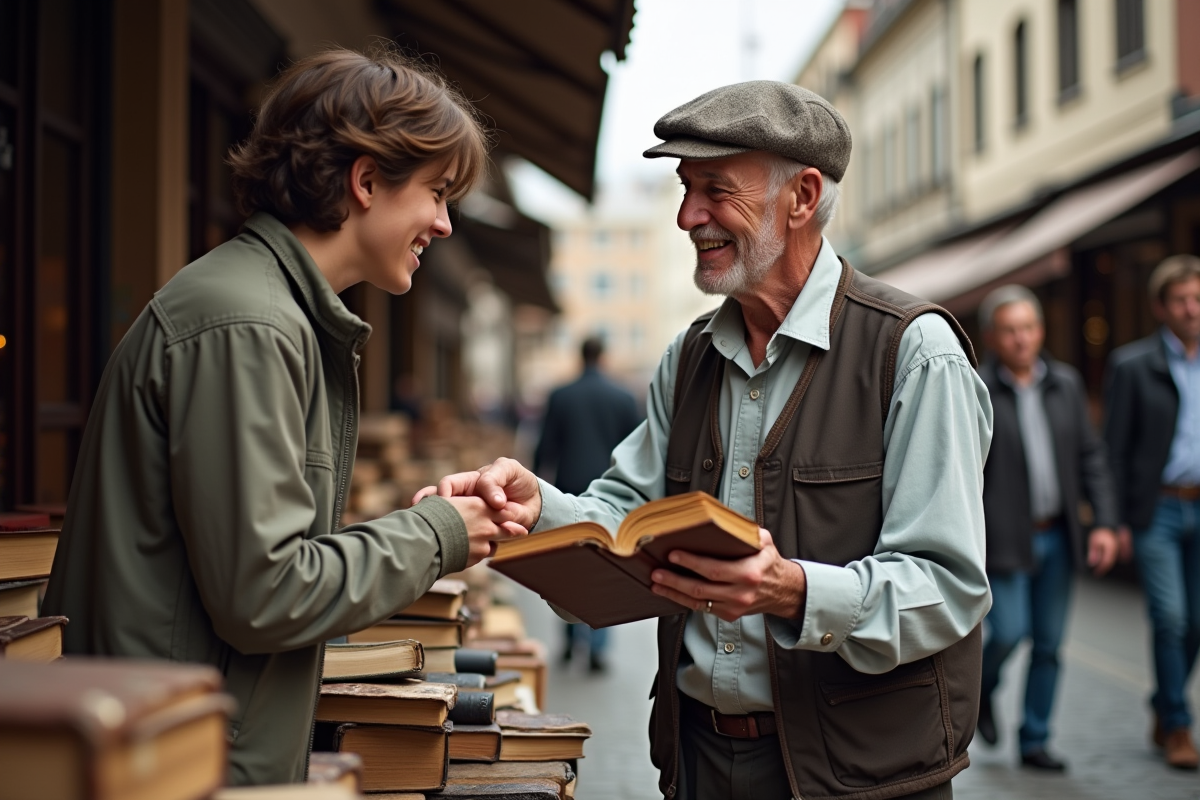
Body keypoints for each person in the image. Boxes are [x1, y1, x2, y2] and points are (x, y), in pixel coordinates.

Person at [419, 81, 993, 800]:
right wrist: (539, 508)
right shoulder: (689, 357)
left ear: (803, 197)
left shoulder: (913, 351)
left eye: (715, 190)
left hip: (861, 775)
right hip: (698, 763)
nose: (689, 216)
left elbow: (947, 586)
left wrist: (794, 591)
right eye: (686, 190)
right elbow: (627, 521)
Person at [42, 48, 526, 786]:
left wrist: (422, 529)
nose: (445, 223)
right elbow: (264, 596)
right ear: (366, 181)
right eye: (436, 193)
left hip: (191, 746)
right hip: (183, 761)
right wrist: (437, 533)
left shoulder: (270, 313)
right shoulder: (252, 325)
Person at [973, 285, 1119, 771]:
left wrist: (1103, 521)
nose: (1020, 339)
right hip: (1003, 539)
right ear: (993, 337)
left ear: (1040, 331)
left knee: (1050, 645)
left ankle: (1035, 738)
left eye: (1028, 328)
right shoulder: (977, 389)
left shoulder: (1067, 384)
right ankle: (982, 690)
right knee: (1009, 632)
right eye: (1010, 331)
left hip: (1059, 535)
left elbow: (1090, 456)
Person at [1104, 254, 1200, 770]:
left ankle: (1165, 705)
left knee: (1197, 623)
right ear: (1162, 307)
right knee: (1170, 618)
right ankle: (1180, 726)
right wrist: (1113, 520)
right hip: (1156, 511)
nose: (1192, 308)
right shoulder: (1133, 365)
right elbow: (1114, 450)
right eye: (1182, 299)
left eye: (1198, 299)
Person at [533, 336, 642, 672]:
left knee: (567, 567)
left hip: (567, 489)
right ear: (604, 356)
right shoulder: (622, 397)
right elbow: (637, 450)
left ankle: (568, 640)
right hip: (610, 492)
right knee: (603, 567)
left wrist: (536, 488)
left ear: (580, 357)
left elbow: (545, 445)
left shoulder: (561, 395)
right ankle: (597, 645)